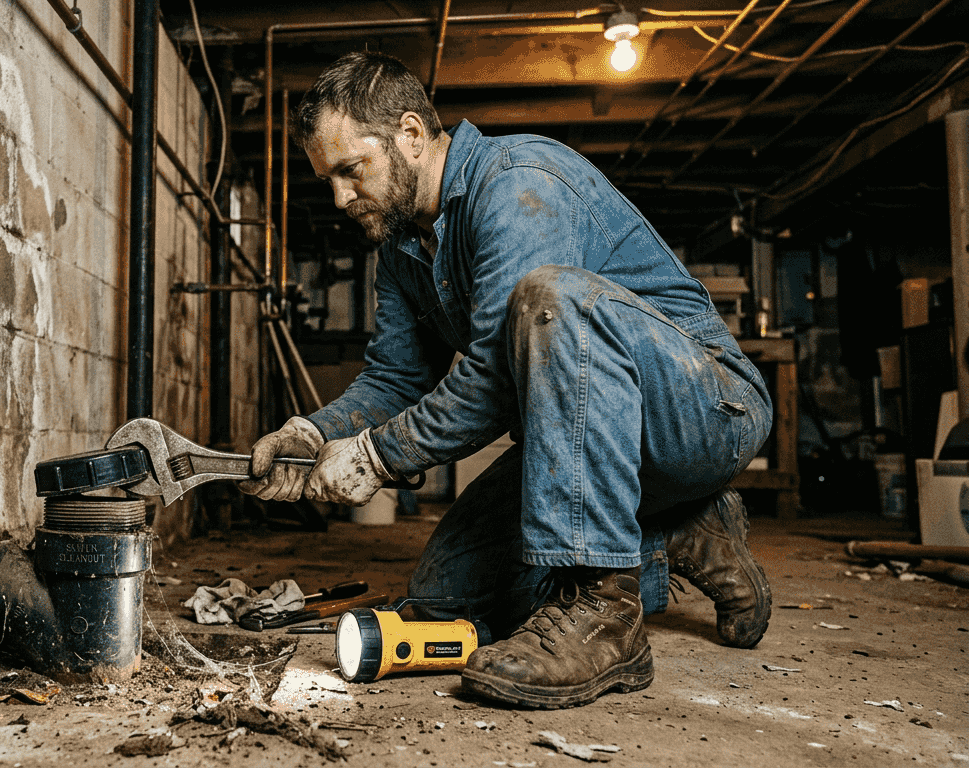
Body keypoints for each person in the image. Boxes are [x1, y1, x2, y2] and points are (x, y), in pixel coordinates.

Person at [239, 51, 774, 710]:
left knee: (553, 298)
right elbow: (397, 378)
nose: (341, 197)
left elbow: (492, 377)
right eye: (329, 179)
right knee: (443, 598)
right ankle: (676, 527)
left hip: (705, 409)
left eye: (352, 170)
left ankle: (604, 610)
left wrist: (377, 455)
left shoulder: (519, 183)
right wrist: (312, 433)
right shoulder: (404, 249)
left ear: (411, 135)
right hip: (592, 445)